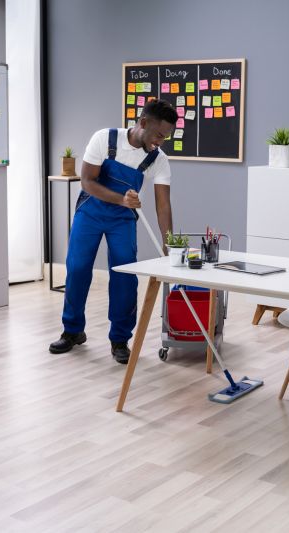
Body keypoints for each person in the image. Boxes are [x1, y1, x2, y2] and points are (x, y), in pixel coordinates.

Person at [49, 99, 177, 364]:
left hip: (122, 219)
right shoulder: (104, 139)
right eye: (158, 135)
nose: (160, 142)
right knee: (77, 268)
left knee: (124, 276)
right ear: (143, 123)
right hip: (90, 211)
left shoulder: (158, 159)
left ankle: (120, 339)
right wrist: (121, 199)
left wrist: (169, 245)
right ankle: (72, 330)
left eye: (165, 137)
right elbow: (87, 182)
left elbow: (163, 205)